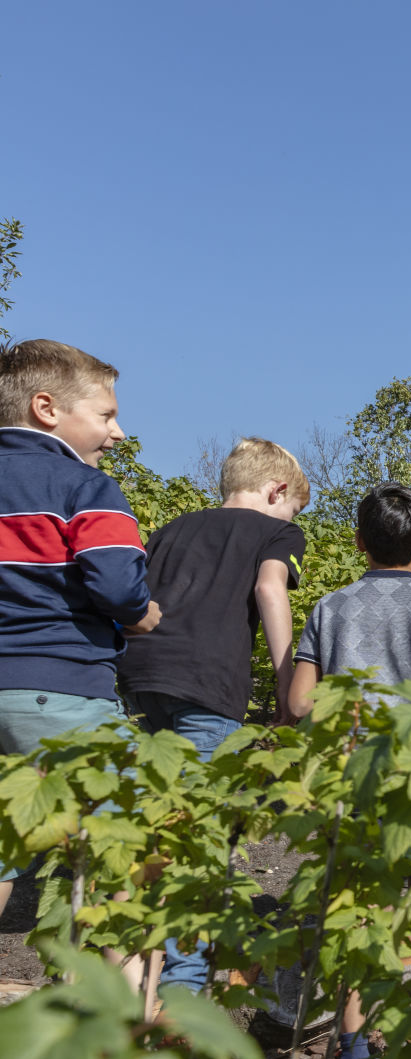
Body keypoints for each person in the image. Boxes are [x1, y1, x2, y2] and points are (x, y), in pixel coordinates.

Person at [288, 482, 411, 1059]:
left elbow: (299, 702)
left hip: (351, 777)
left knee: (356, 906)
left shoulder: (328, 608)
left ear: (357, 542)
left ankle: (353, 1051)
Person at [118, 436, 310, 993]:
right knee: (200, 838)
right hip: (208, 687)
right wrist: (285, 679)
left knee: (158, 823)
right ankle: (182, 988)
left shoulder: (172, 527)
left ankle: (136, 968)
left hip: (144, 679)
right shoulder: (277, 532)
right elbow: (271, 589)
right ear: (277, 492)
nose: (293, 516)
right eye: (294, 506)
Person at [0, 340, 161, 923]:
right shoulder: (85, 487)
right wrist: (139, 611)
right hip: (62, 688)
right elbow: (117, 581)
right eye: (106, 415)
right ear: (47, 409)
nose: (117, 432)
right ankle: (107, 1000)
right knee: (133, 843)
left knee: (5, 847)